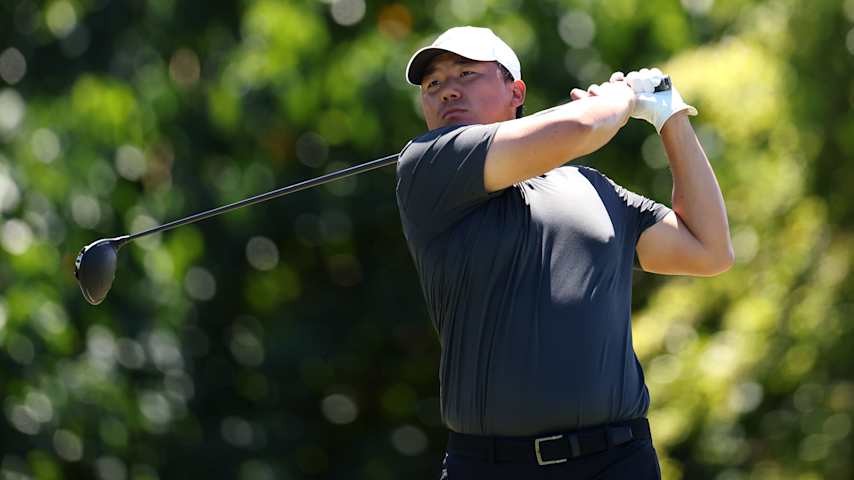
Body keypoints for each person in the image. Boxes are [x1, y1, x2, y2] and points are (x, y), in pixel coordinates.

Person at [395, 26, 733, 479]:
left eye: (466, 73)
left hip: (618, 459)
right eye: (432, 84)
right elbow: (580, 126)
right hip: (491, 466)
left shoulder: (591, 187)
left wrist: (669, 115)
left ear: (516, 91)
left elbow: (709, 250)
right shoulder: (427, 165)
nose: (447, 90)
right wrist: (621, 98)